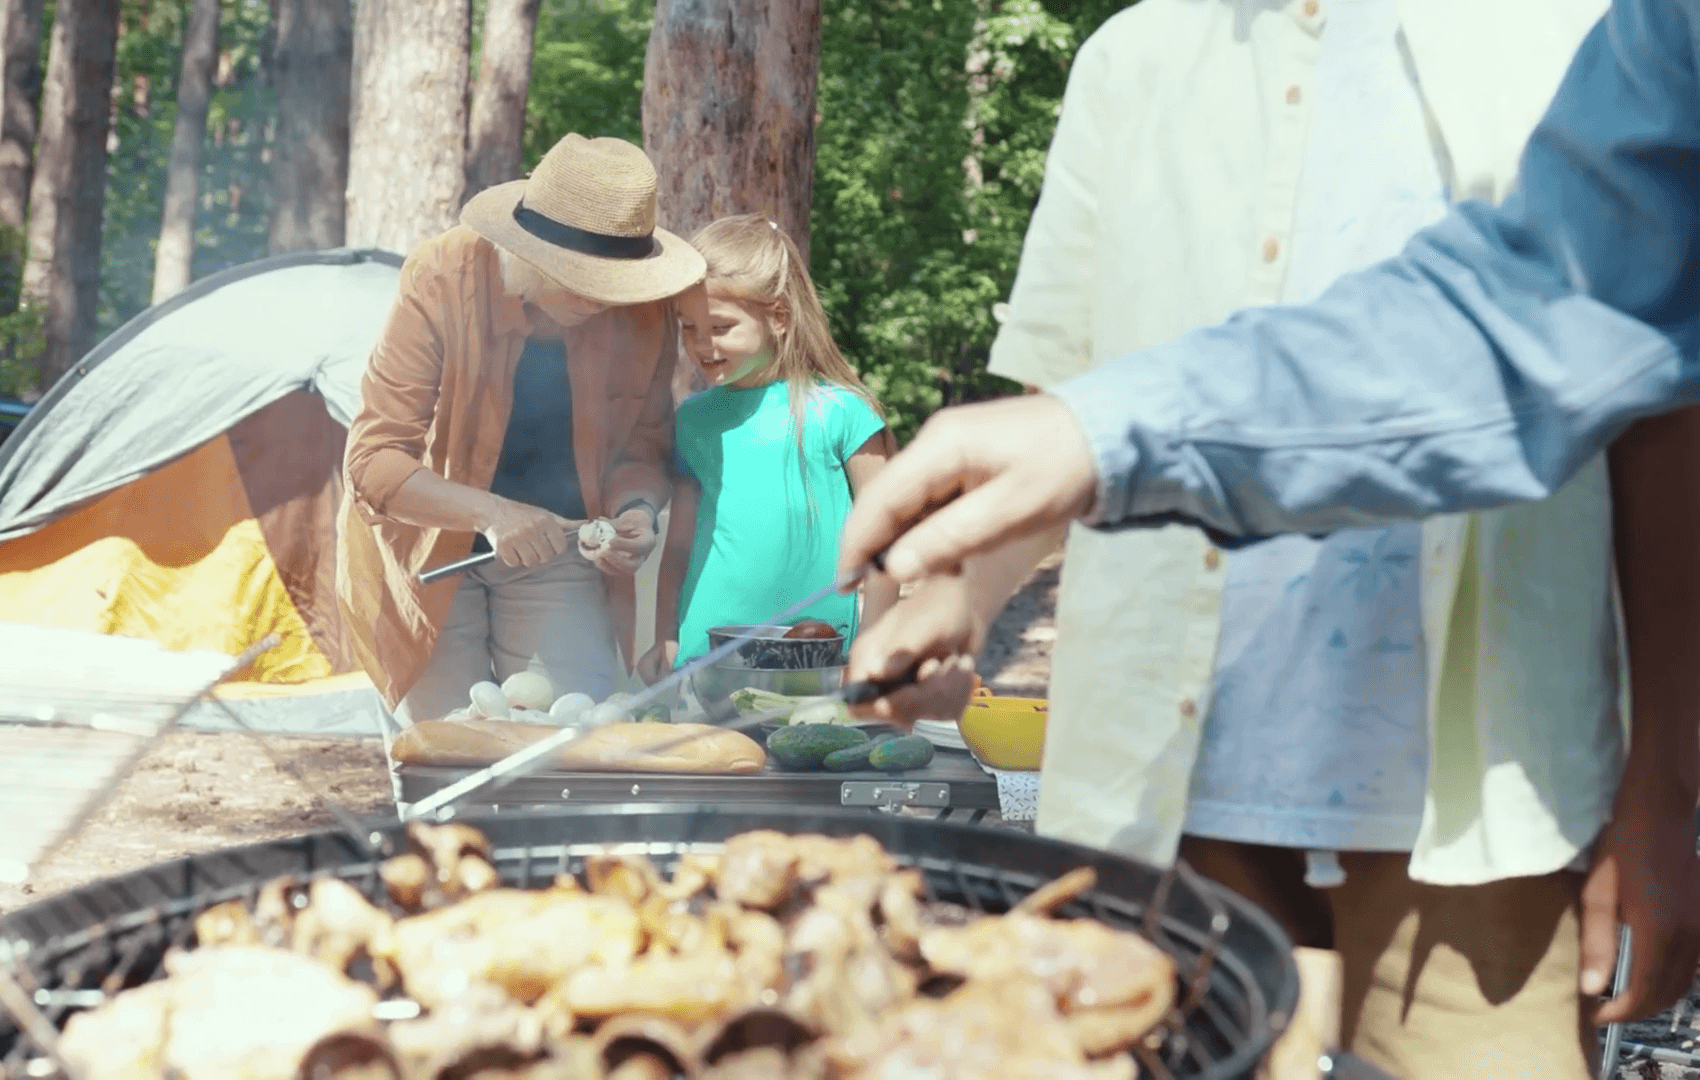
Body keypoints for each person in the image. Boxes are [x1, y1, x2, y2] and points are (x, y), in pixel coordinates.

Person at [837, 0, 1700, 1062]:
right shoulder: (1128, 58)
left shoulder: (1586, 34)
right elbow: (1061, 409)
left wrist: (1661, 783)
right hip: (1157, 800)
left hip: (1492, 817)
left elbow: (1651, 412)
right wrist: (955, 598)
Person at [340, 134, 707, 725]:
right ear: (527, 252)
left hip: (560, 550)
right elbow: (373, 462)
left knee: (570, 736)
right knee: (450, 749)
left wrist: (636, 513)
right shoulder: (443, 277)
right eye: (582, 279)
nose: (601, 299)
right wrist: (493, 513)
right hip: (430, 549)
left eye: (612, 282)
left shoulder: (643, 306)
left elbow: (642, 447)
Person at [636, 214, 897, 682]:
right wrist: (665, 636)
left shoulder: (843, 413)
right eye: (688, 328)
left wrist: (873, 648)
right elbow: (679, 545)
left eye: (719, 326)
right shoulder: (694, 420)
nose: (701, 344)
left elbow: (888, 543)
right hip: (704, 658)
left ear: (778, 317)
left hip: (817, 657)